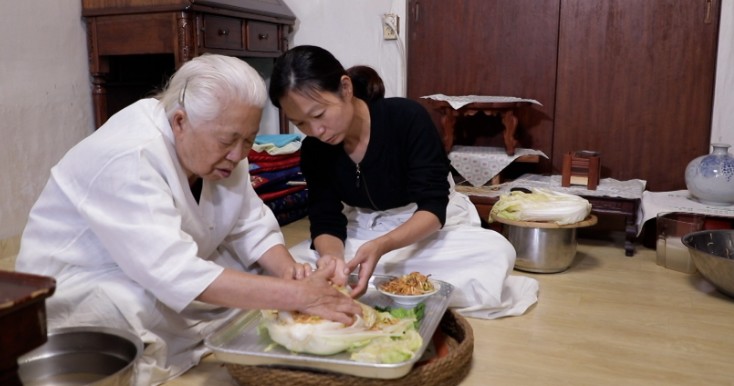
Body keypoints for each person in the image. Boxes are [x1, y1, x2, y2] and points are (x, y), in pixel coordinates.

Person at [15, 54, 361, 386]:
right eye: (228, 141)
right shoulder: (129, 154)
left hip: (164, 265)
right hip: (84, 280)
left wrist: (290, 274)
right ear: (181, 122)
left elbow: (250, 222)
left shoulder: (221, 139)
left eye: (249, 141)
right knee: (131, 305)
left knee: (266, 268)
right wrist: (296, 295)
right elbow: (171, 272)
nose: (239, 155)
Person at [268, 45, 539, 320]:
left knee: (494, 252)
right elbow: (325, 218)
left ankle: (379, 281)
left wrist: (382, 246)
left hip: (422, 227)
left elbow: (433, 207)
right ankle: (392, 284)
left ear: (345, 88)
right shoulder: (314, 149)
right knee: (294, 263)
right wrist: (333, 260)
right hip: (363, 229)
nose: (315, 131)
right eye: (300, 123)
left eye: (318, 115)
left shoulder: (406, 118)